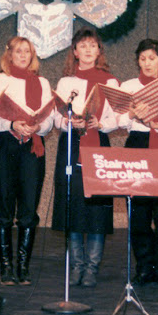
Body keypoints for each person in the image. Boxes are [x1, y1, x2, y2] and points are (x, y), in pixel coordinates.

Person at [52, 27, 119, 288]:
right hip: (71, 145)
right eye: (83, 45)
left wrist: (99, 122)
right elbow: (57, 118)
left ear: (99, 51)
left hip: (97, 144)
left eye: (93, 46)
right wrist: (71, 120)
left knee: (97, 212)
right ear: (75, 51)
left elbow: (117, 119)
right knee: (74, 208)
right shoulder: (66, 82)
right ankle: (76, 266)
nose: (89, 50)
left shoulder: (110, 81)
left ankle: (91, 268)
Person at [117, 39, 158, 290]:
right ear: (138, 61)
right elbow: (117, 120)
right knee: (138, 215)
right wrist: (132, 115)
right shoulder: (128, 85)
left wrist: (156, 124)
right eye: (143, 58)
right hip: (136, 144)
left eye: (152, 58)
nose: (147, 63)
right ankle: (144, 269)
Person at [0, 37, 54, 286]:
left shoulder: (43, 82)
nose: (23, 55)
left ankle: (23, 267)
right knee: (3, 206)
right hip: (6, 145)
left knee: (28, 207)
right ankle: (6, 267)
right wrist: (13, 123)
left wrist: (38, 125)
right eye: (18, 51)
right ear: (10, 55)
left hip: (33, 147)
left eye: (27, 51)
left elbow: (50, 118)